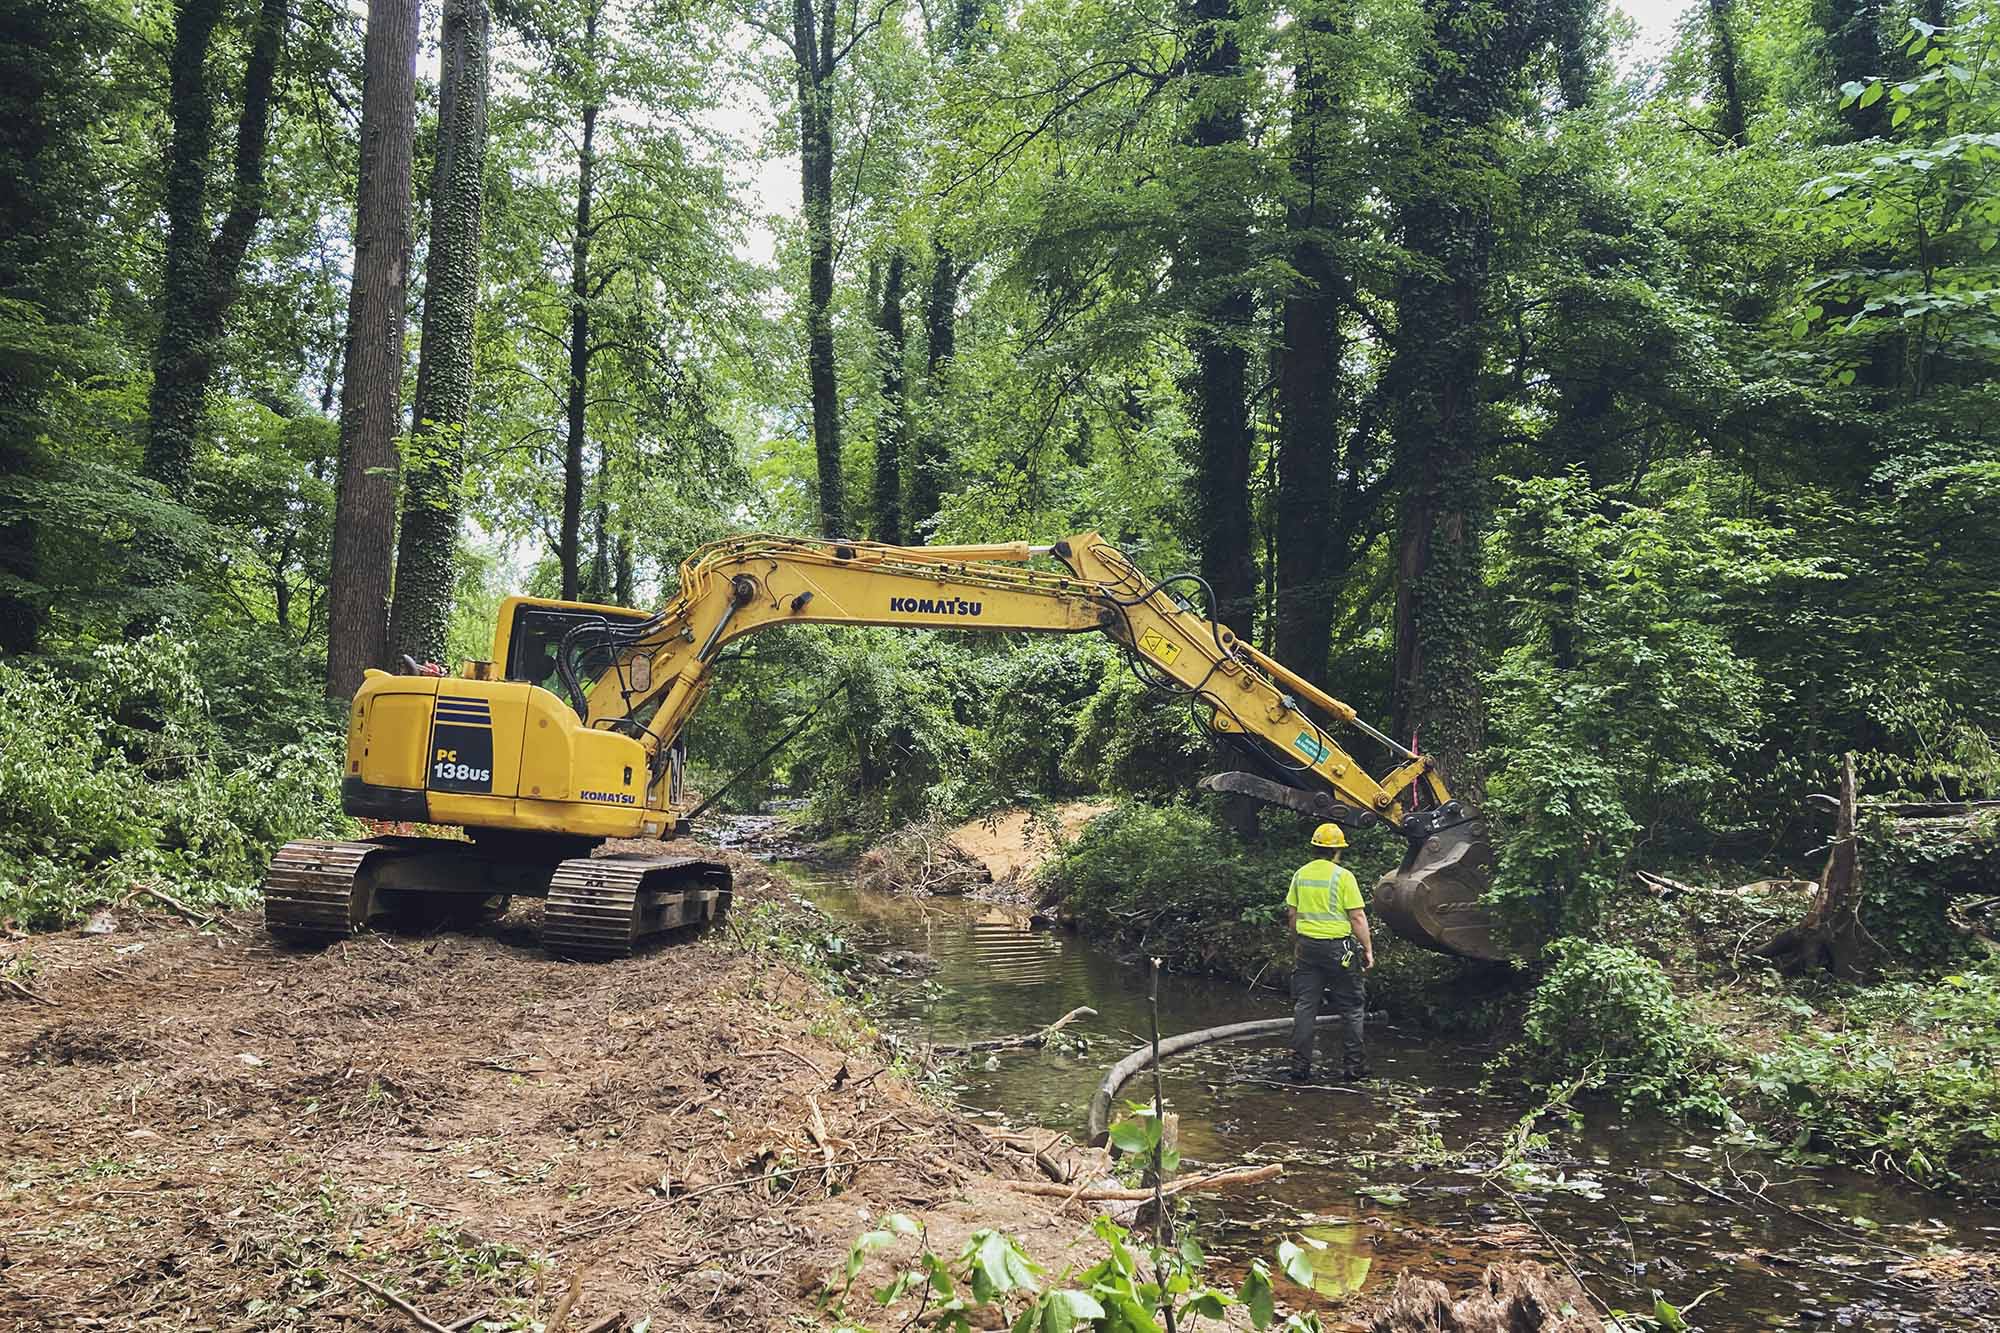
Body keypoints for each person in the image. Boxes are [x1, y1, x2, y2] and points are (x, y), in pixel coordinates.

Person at [1285, 822, 1374, 1083]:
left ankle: (1300, 1066)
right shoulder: (1343, 876)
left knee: (1305, 1005)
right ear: (1337, 850)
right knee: (1351, 1007)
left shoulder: (1300, 874)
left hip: (1307, 948)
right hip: (1339, 950)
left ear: (1314, 847)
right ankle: (1353, 1068)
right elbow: (1357, 917)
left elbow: (1292, 914)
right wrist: (1368, 949)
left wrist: (1297, 942)